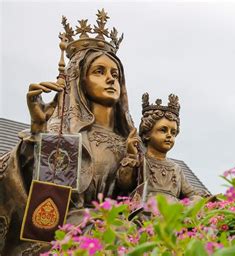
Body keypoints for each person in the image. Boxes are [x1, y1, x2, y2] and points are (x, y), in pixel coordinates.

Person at [0, 10, 138, 254]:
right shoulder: (63, 134)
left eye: (114, 74)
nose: (110, 79)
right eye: (99, 71)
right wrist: (37, 133)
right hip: (74, 233)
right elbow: (34, 188)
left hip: (122, 232)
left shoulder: (129, 142)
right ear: (79, 79)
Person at [118, 93, 208, 206]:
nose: (169, 135)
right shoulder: (140, 161)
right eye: (163, 130)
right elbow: (124, 184)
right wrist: (131, 156)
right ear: (146, 134)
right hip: (146, 213)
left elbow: (190, 193)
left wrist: (203, 197)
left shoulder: (176, 169)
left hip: (172, 214)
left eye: (173, 132)